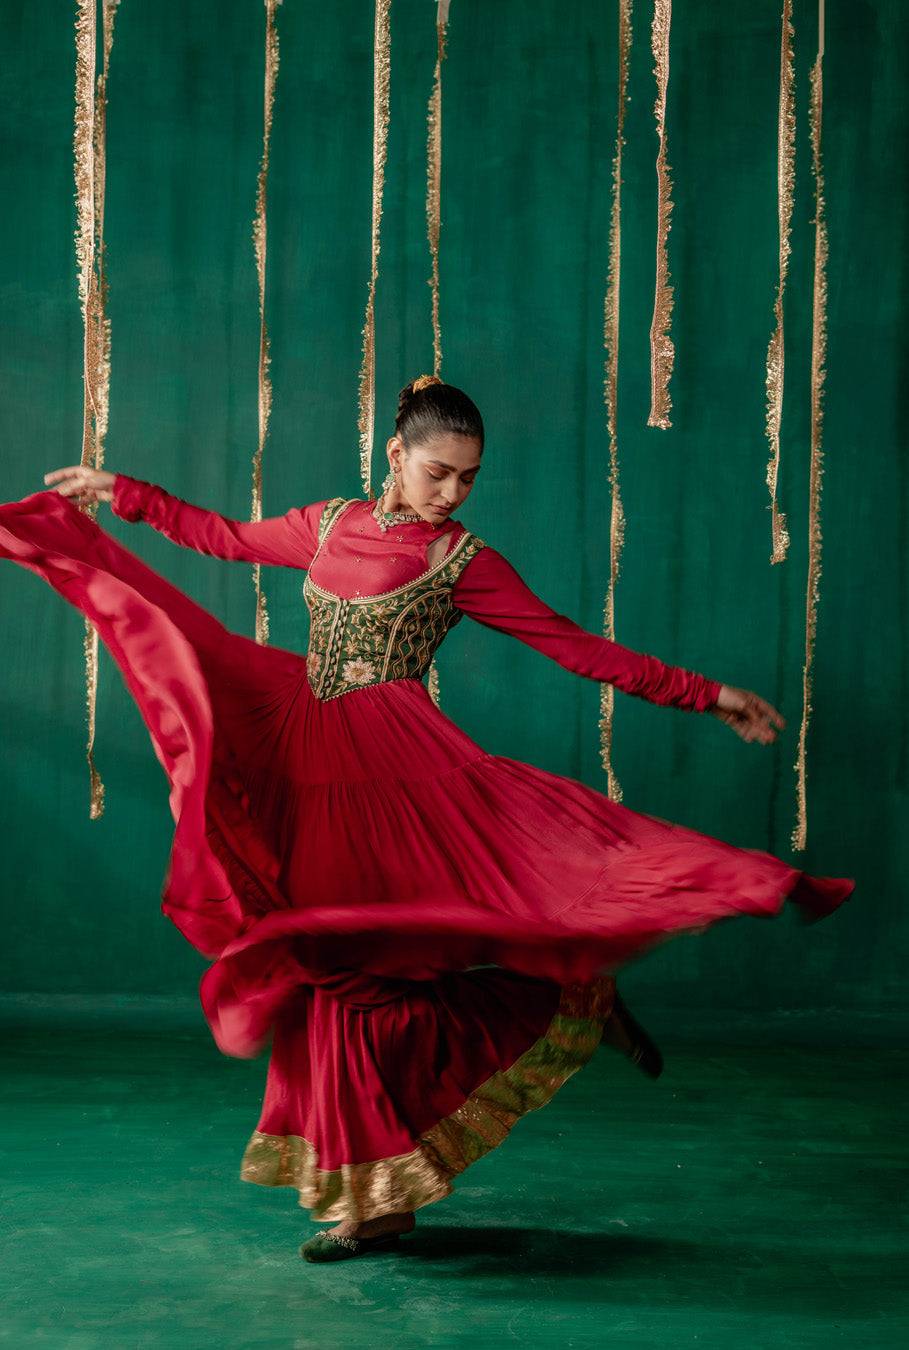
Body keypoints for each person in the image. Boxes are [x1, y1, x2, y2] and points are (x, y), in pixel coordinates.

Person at [0, 376, 852, 1263]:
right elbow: (223, 536)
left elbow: (575, 647)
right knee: (327, 965)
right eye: (437, 472)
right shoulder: (329, 523)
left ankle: (420, 1150)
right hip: (300, 747)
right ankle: (397, 1182)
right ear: (394, 454)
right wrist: (123, 493)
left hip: (389, 766)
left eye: (468, 478)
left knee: (354, 972)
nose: (451, 493)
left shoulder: (463, 560)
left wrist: (705, 695)